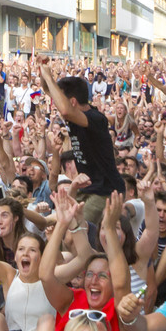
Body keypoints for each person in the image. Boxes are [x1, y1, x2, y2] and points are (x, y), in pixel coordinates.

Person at [37, 58, 123, 222]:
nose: (57, 106)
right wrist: (42, 69)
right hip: (86, 188)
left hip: (105, 191)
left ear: (72, 102)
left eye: (60, 100)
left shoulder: (95, 118)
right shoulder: (76, 115)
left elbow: (65, 110)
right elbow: (47, 89)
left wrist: (48, 76)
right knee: (60, 225)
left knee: (75, 226)